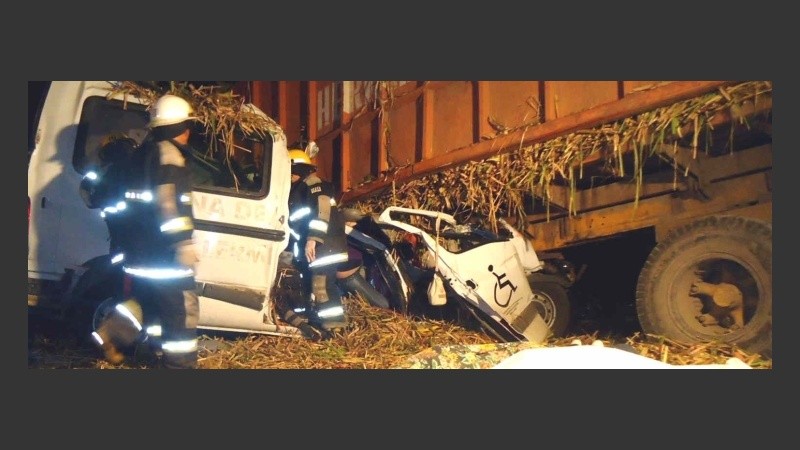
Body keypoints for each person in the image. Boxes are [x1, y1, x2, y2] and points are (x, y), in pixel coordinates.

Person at [112, 93, 201, 369]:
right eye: (188, 126)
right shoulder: (169, 156)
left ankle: (141, 350)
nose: (189, 133)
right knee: (181, 311)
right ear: (181, 128)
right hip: (165, 255)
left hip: (140, 254)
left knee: (149, 306)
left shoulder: (142, 154)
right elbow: (168, 203)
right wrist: (182, 243)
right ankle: (180, 365)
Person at [286, 147, 390, 335]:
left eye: (292, 172)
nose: (289, 176)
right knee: (314, 285)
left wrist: (313, 239)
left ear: (299, 170)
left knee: (322, 286)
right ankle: (322, 322)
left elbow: (321, 211)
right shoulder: (298, 190)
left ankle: (336, 327)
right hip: (320, 248)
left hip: (324, 246)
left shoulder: (313, 185)